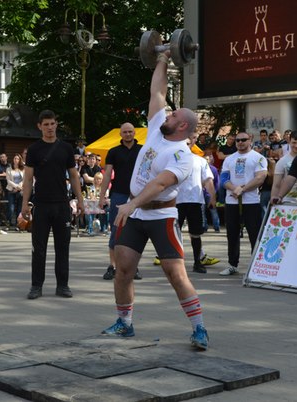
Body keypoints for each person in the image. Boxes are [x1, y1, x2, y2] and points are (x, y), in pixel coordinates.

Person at [100, 51, 209, 351]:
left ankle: (199, 329)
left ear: (182, 126)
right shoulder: (157, 131)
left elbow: (160, 183)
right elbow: (157, 92)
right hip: (135, 213)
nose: (167, 115)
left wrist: (132, 204)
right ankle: (125, 323)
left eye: (173, 116)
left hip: (161, 216)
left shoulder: (183, 156)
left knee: (175, 274)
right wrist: (163, 57)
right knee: (123, 269)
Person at [22, 110, 84, 300]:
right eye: (46, 124)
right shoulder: (34, 149)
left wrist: (80, 200)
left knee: (62, 248)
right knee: (38, 248)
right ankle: (36, 286)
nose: (50, 127)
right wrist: (25, 204)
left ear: (56, 124)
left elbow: (73, 175)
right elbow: (28, 178)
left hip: (62, 205)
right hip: (41, 204)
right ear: (39, 126)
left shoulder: (66, 148)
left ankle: (63, 285)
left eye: (52, 123)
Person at [98, 122, 143, 280]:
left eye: (130, 131)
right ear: (120, 134)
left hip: (138, 196)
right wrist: (102, 196)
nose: (128, 134)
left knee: (136, 233)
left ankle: (133, 267)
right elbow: (107, 175)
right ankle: (113, 266)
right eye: (125, 132)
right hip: (118, 194)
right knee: (116, 231)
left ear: (134, 133)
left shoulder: (143, 150)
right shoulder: (113, 151)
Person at [219, 132, 268, 276]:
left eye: (243, 140)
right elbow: (224, 178)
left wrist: (243, 189)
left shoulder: (258, 158)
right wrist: (234, 188)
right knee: (232, 233)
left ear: (250, 140)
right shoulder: (229, 159)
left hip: (251, 201)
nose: (240, 142)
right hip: (232, 200)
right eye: (238, 140)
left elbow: (260, 178)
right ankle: (232, 264)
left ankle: (255, 266)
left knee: (254, 233)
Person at [176, 135, 217, 274]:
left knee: (195, 234)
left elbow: (208, 180)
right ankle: (175, 263)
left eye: (188, 143)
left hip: (195, 201)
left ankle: (197, 262)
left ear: (192, 143)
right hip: (176, 201)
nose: (185, 145)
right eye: (183, 143)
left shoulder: (200, 160)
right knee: (174, 233)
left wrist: (212, 197)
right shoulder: (172, 159)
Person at [270, 130, 297, 204]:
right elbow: (276, 184)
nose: (296, 146)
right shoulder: (282, 161)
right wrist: (273, 199)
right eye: (294, 143)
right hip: (287, 201)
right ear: (289, 142)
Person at [5, 154, 24, 228]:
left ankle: (18, 224)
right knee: (11, 208)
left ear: (20, 160)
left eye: (17, 159)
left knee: (19, 208)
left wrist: (19, 187)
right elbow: (8, 180)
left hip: (20, 190)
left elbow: (24, 180)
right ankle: (8, 222)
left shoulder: (23, 169)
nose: (16, 160)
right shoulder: (8, 169)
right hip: (11, 190)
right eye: (15, 158)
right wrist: (16, 187)